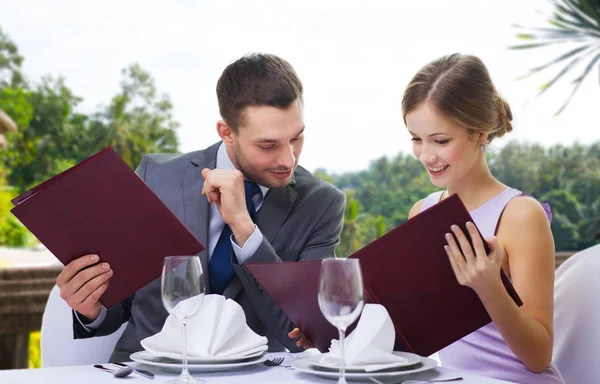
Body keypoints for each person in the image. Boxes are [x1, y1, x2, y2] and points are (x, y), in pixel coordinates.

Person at [55, 53, 346, 362]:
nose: (288, 159)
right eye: (268, 145)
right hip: (147, 374)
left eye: (296, 138)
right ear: (226, 132)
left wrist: (246, 231)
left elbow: (303, 335)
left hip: (255, 377)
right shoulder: (157, 177)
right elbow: (121, 307)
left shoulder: (321, 204)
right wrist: (91, 309)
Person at [402, 53, 563, 383]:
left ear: (479, 133)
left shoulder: (519, 215)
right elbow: (415, 332)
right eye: (417, 139)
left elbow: (538, 356)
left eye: (441, 140)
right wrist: (329, 330)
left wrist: (489, 286)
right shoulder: (421, 213)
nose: (426, 155)